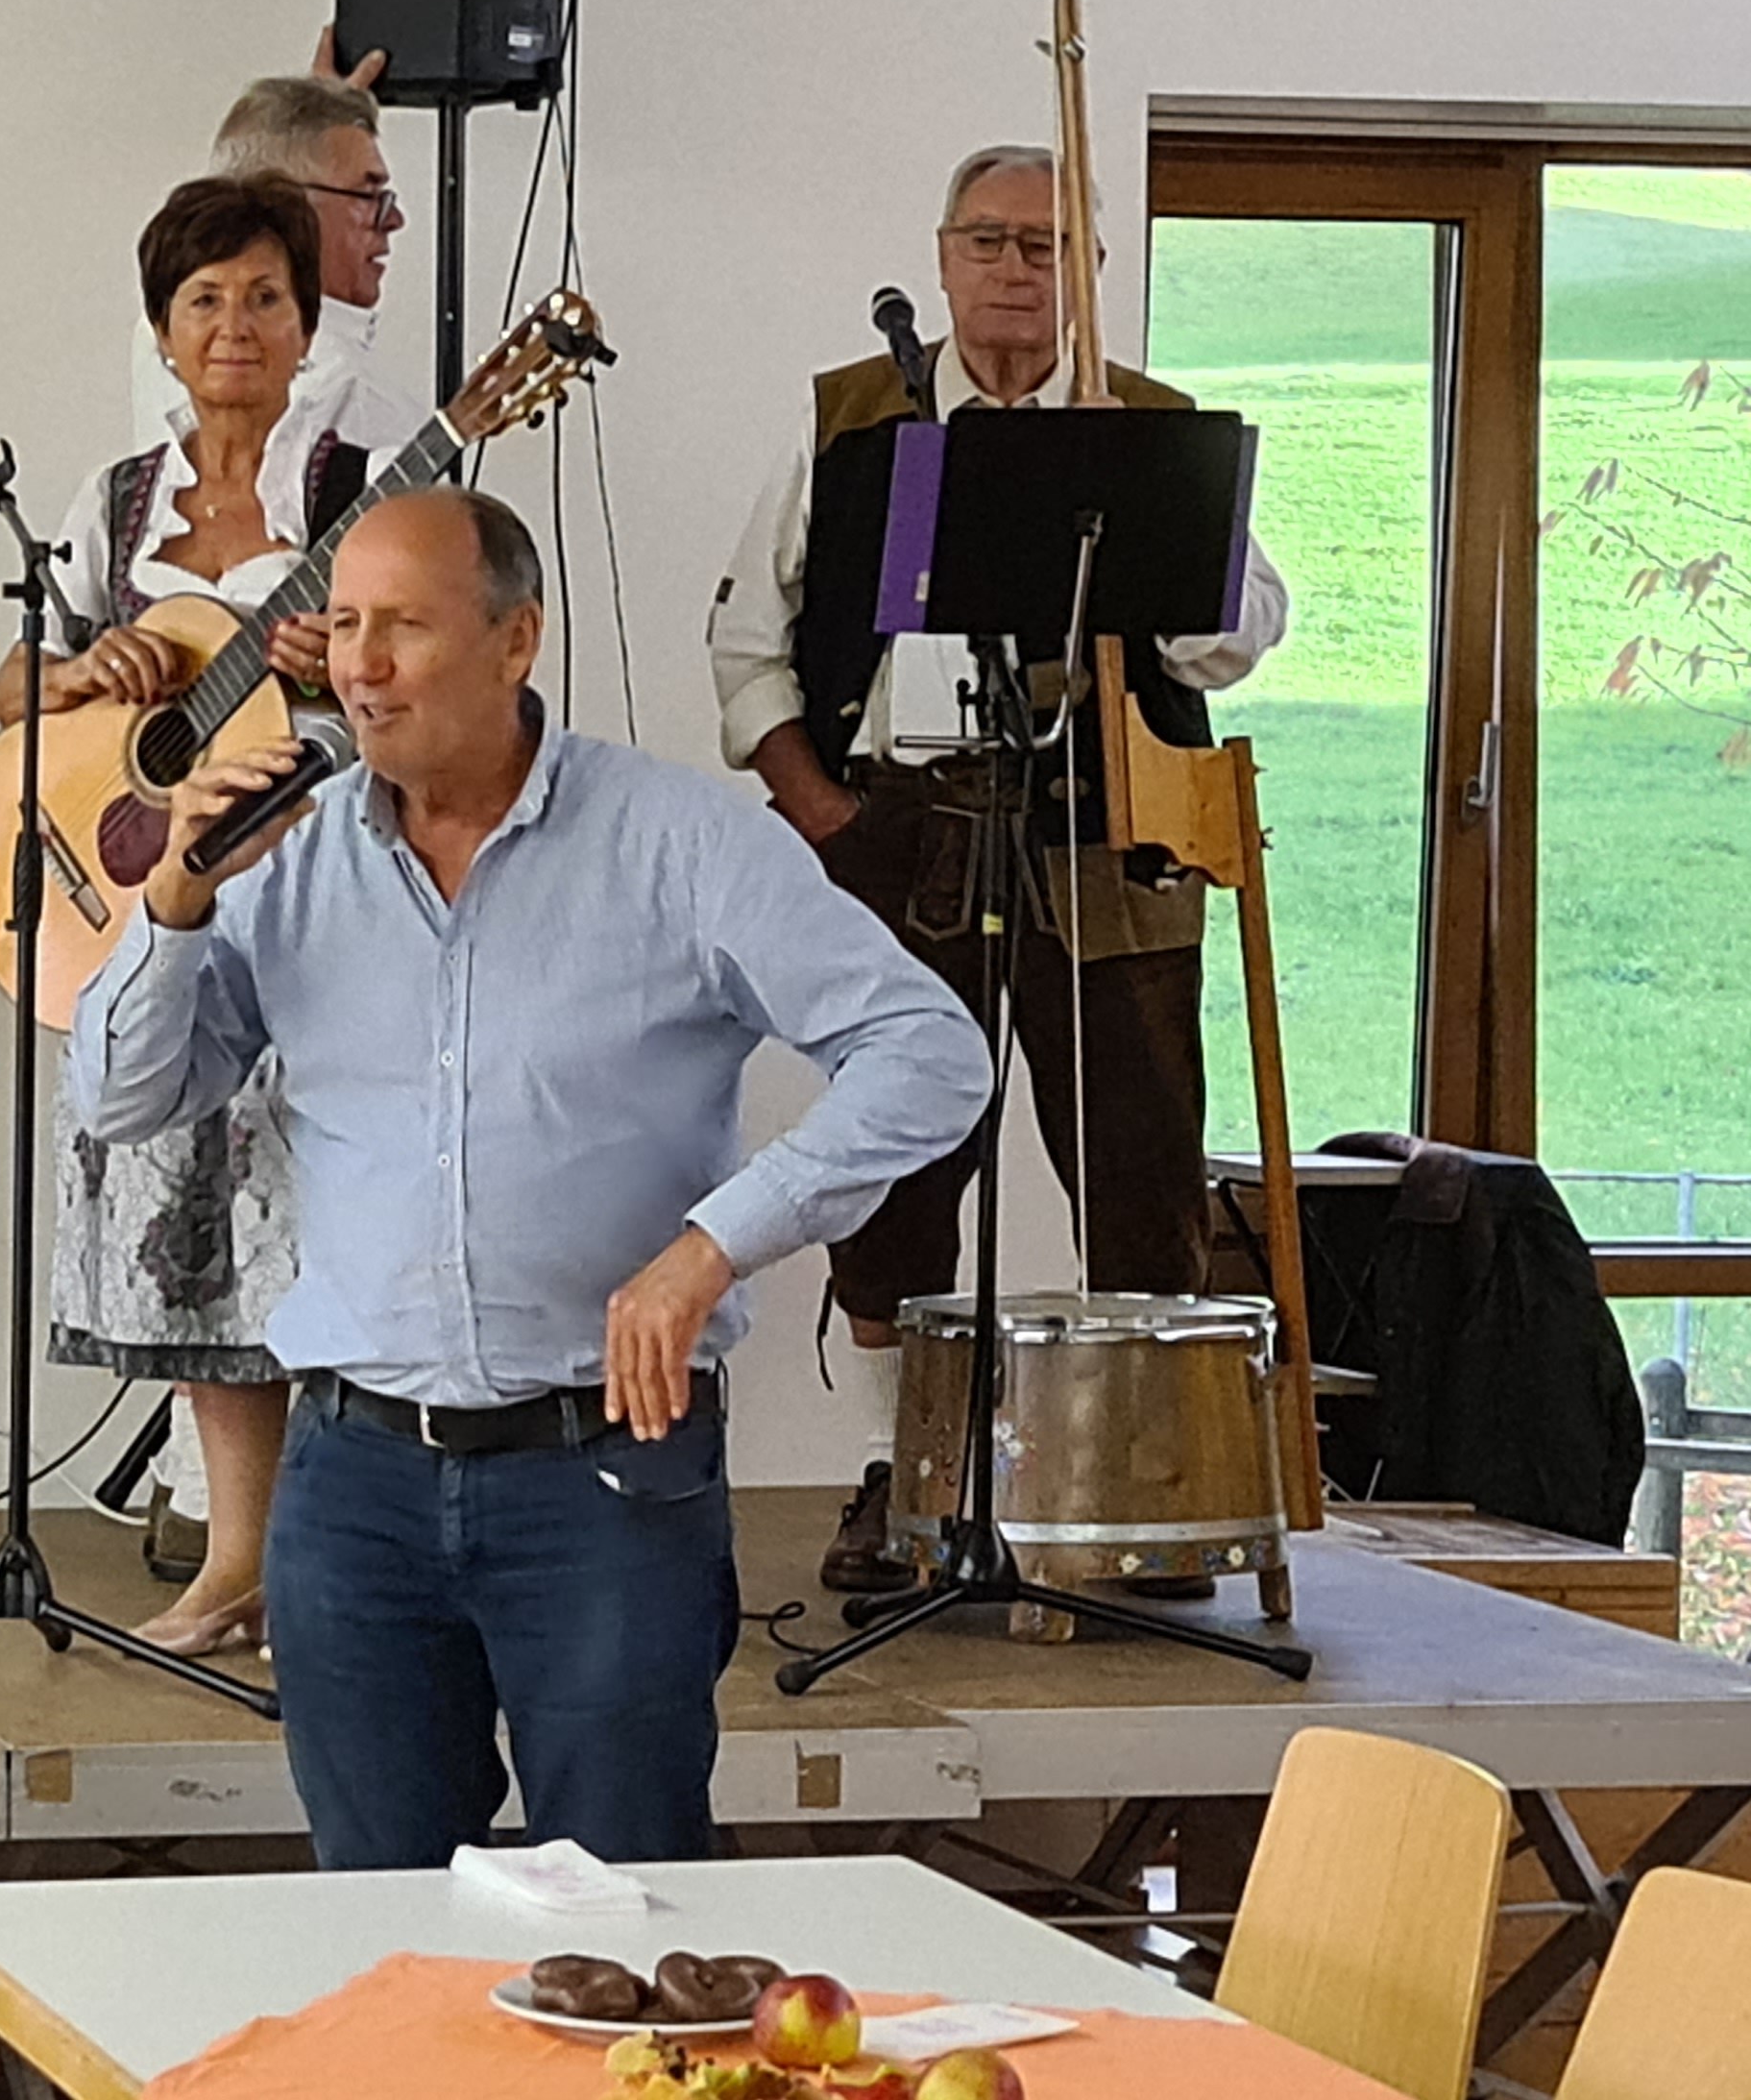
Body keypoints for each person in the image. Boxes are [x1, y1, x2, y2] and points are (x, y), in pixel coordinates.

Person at [69, 488, 986, 1864]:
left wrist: (715, 1245)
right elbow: (124, 1098)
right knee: (377, 1911)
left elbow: (931, 1052)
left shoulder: (678, 842)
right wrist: (177, 904)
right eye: (345, 628)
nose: (362, 667)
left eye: (404, 628)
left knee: (626, 1899)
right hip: (352, 1484)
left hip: (602, 1477)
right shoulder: (285, 852)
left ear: (516, 641)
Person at [706, 143, 1289, 1595]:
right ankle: (905, 1478)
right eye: (989, 241)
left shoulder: (1147, 424)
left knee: (1140, 1163)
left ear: (1087, 267)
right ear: (944, 256)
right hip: (908, 834)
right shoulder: (854, 418)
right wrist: (823, 812)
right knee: (894, 1171)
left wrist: (1155, 544)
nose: (1016, 270)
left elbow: (1240, 632)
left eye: (1046, 245)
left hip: (1109, 833)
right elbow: (747, 641)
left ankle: (1145, 1490)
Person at [0, 173, 353, 1657]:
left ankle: (335, 1565)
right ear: (162, 331)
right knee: (195, 1211)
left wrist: (340, 657)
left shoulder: (361, 490)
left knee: (314, 1216)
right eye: (204, 299)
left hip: (320, 890)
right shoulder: (114, 503)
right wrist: (84, 675)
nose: (235, 325)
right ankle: (238, 1558)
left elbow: (437, 667)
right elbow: (16, 688)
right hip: (163, 890)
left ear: (306, 323)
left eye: (265, 296)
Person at [128, 63, 422, 454]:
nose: (393, 220)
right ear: (290, 203)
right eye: (368, 196)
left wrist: (317, 110)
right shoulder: (362, 401)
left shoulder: (168, 325)